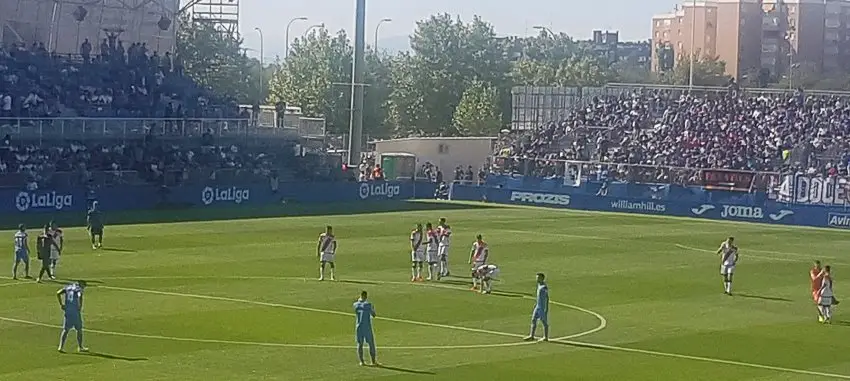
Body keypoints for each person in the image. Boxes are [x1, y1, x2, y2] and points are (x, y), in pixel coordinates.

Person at [57, 281, 88, 352]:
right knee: (79, 329)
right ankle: (80, 347)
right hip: (75, 312)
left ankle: (60, 347)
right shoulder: (78, 289)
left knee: (65, 330)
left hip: (68, 311)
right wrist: (80, 306)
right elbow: (80, 296)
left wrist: (61, 304)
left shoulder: (68, 287)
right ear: (81, 284)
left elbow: (58, 293)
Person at [353, 290, 378, 366]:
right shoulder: (368, 305)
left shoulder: (355, 304)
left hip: (359, 326)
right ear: (365, 296)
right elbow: (373, 314)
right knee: (371, 344)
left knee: (359, 344)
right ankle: (373, 361)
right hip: (367, 326)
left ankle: (362, 361)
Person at [525, 272, 549, 342]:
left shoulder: (544, 287)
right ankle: (531, 335)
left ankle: (546, 337)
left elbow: (547, 298)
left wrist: (546, 308)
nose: (536, 279)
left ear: (542, 278)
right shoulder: (539, 285)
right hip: (538, 306)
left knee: (544, 322)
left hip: (542, 307)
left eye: (538, 277)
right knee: (533, 320)